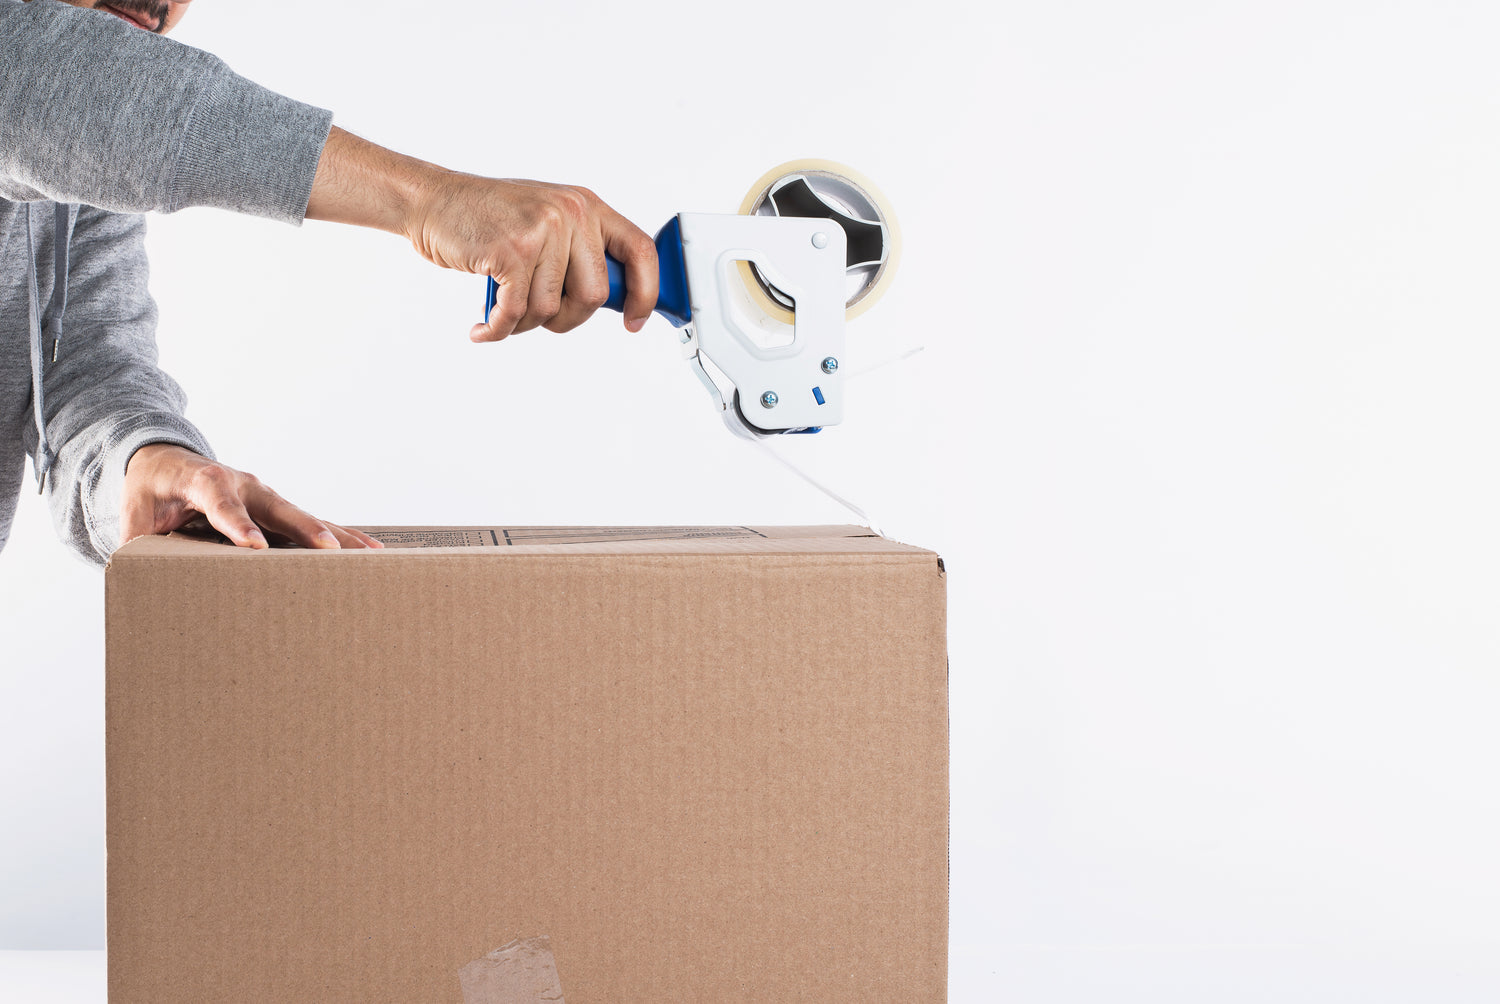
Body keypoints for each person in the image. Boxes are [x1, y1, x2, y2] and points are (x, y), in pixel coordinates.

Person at [1, 0, 659, 564]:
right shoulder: (46, 87)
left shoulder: (76, 176)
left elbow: (83, 372)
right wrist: (426, 200)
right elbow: (45, 78)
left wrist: (145, 461)